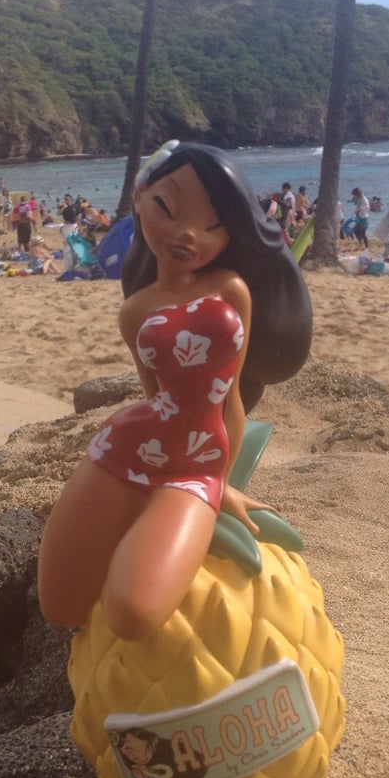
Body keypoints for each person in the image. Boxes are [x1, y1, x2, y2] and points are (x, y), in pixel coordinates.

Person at [38, 141, 312, 639]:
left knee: (134, 612)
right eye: (168, 207)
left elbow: (227, 394)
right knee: (60, 600)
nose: (189, 235)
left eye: (213, 226)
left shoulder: (231, 290)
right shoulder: (135, 310)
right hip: (127, 443)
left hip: (197, 464)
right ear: (140, 197)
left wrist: (220, 480)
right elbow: (153, 393)